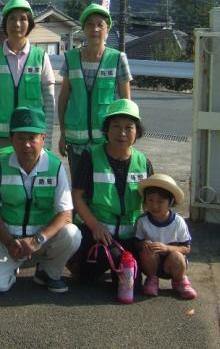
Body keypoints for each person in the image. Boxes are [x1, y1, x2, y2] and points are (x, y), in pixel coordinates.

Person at [0, 107, 81, 294]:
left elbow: (66, 214)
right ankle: (9, 265)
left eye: (32, 138)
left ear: (43, 138)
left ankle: (48, 272)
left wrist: (37, 240)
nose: (26, 144)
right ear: (11, 139)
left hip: (41, 238)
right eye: (21, 138)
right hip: (8, 239)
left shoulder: (55, 167)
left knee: (72, 234)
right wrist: (9, 242)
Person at [71, 99, 153, 299]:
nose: (122, 133)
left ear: (137, 132)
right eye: (115, 126)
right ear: (106, 129)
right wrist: (95, 226)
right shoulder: (90, 155)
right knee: (86, 277)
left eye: (129, 127)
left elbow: (151, 204)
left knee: (130, 282)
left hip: (130, 237)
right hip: (96, 233)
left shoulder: (144, 162)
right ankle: (78, 262)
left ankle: (119, 265)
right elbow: (77, 197)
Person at [58, 3, 132, 180]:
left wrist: (127, 137)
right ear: (83, 29)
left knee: (104, 186)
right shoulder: (71, 57)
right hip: (76, 141)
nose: (95, 29)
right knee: (79, 188)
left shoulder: (117, 58)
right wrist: (62, 134)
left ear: (107, 30)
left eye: (100, 24)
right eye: (90, 24)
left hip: (107, 141)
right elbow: (63, 99)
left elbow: (126, 103)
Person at [0, 0, 55, 160]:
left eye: (23, 19)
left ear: (30, 24)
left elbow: (49, 102)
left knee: (29, 183)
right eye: (12, 18)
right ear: (5, 23)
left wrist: (47, 139)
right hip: (0, 138)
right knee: (3, 183)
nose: (17, 24)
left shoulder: (41, 57)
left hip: (32, 137)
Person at [136, 174, 196, 299]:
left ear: (171, 202)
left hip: (172, 263)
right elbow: (137, 242)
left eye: (160, 202)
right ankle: (152, 280)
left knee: (177, 256)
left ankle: (179, 281)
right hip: (152, 264)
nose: (154, 206)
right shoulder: (142, 221)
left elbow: (186, 248)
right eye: (150, 200)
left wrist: (167, 248)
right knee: (147, 250)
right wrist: (143, 243)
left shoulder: (178, 221)